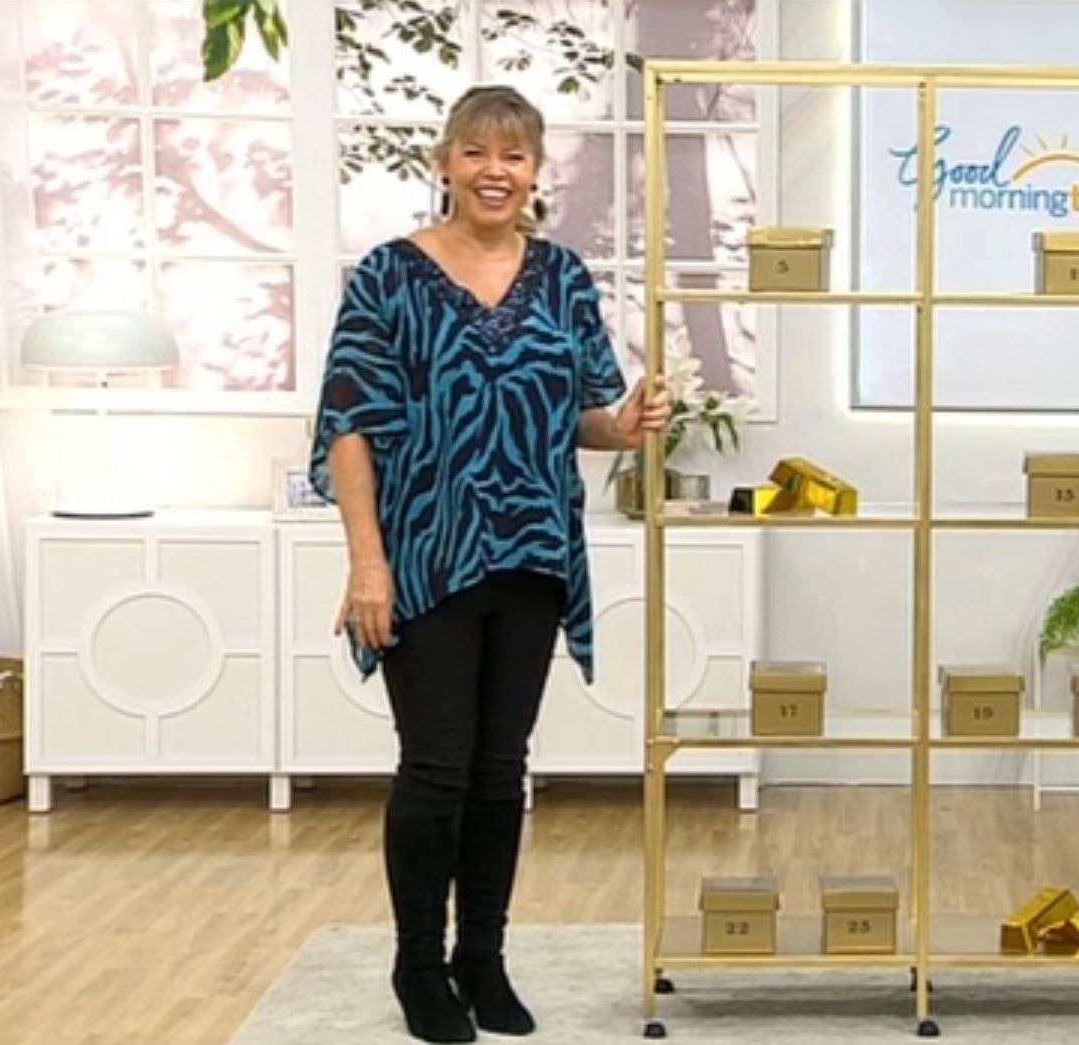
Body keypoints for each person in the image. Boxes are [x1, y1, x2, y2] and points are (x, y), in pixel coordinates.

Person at [309, 85, 670, 1043]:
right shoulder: (390, 275)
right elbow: (348, 425)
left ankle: (483, 957)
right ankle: (418, 963)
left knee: (502, 769)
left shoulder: (562, 278)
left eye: (512, 155)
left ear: (535, 170)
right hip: (425, 556)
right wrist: (367, 565)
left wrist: (627, 424)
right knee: (436, 765)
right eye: (475, 152)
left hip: (533, 553)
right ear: (445, 164)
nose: (494, 171)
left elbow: (587, 415)